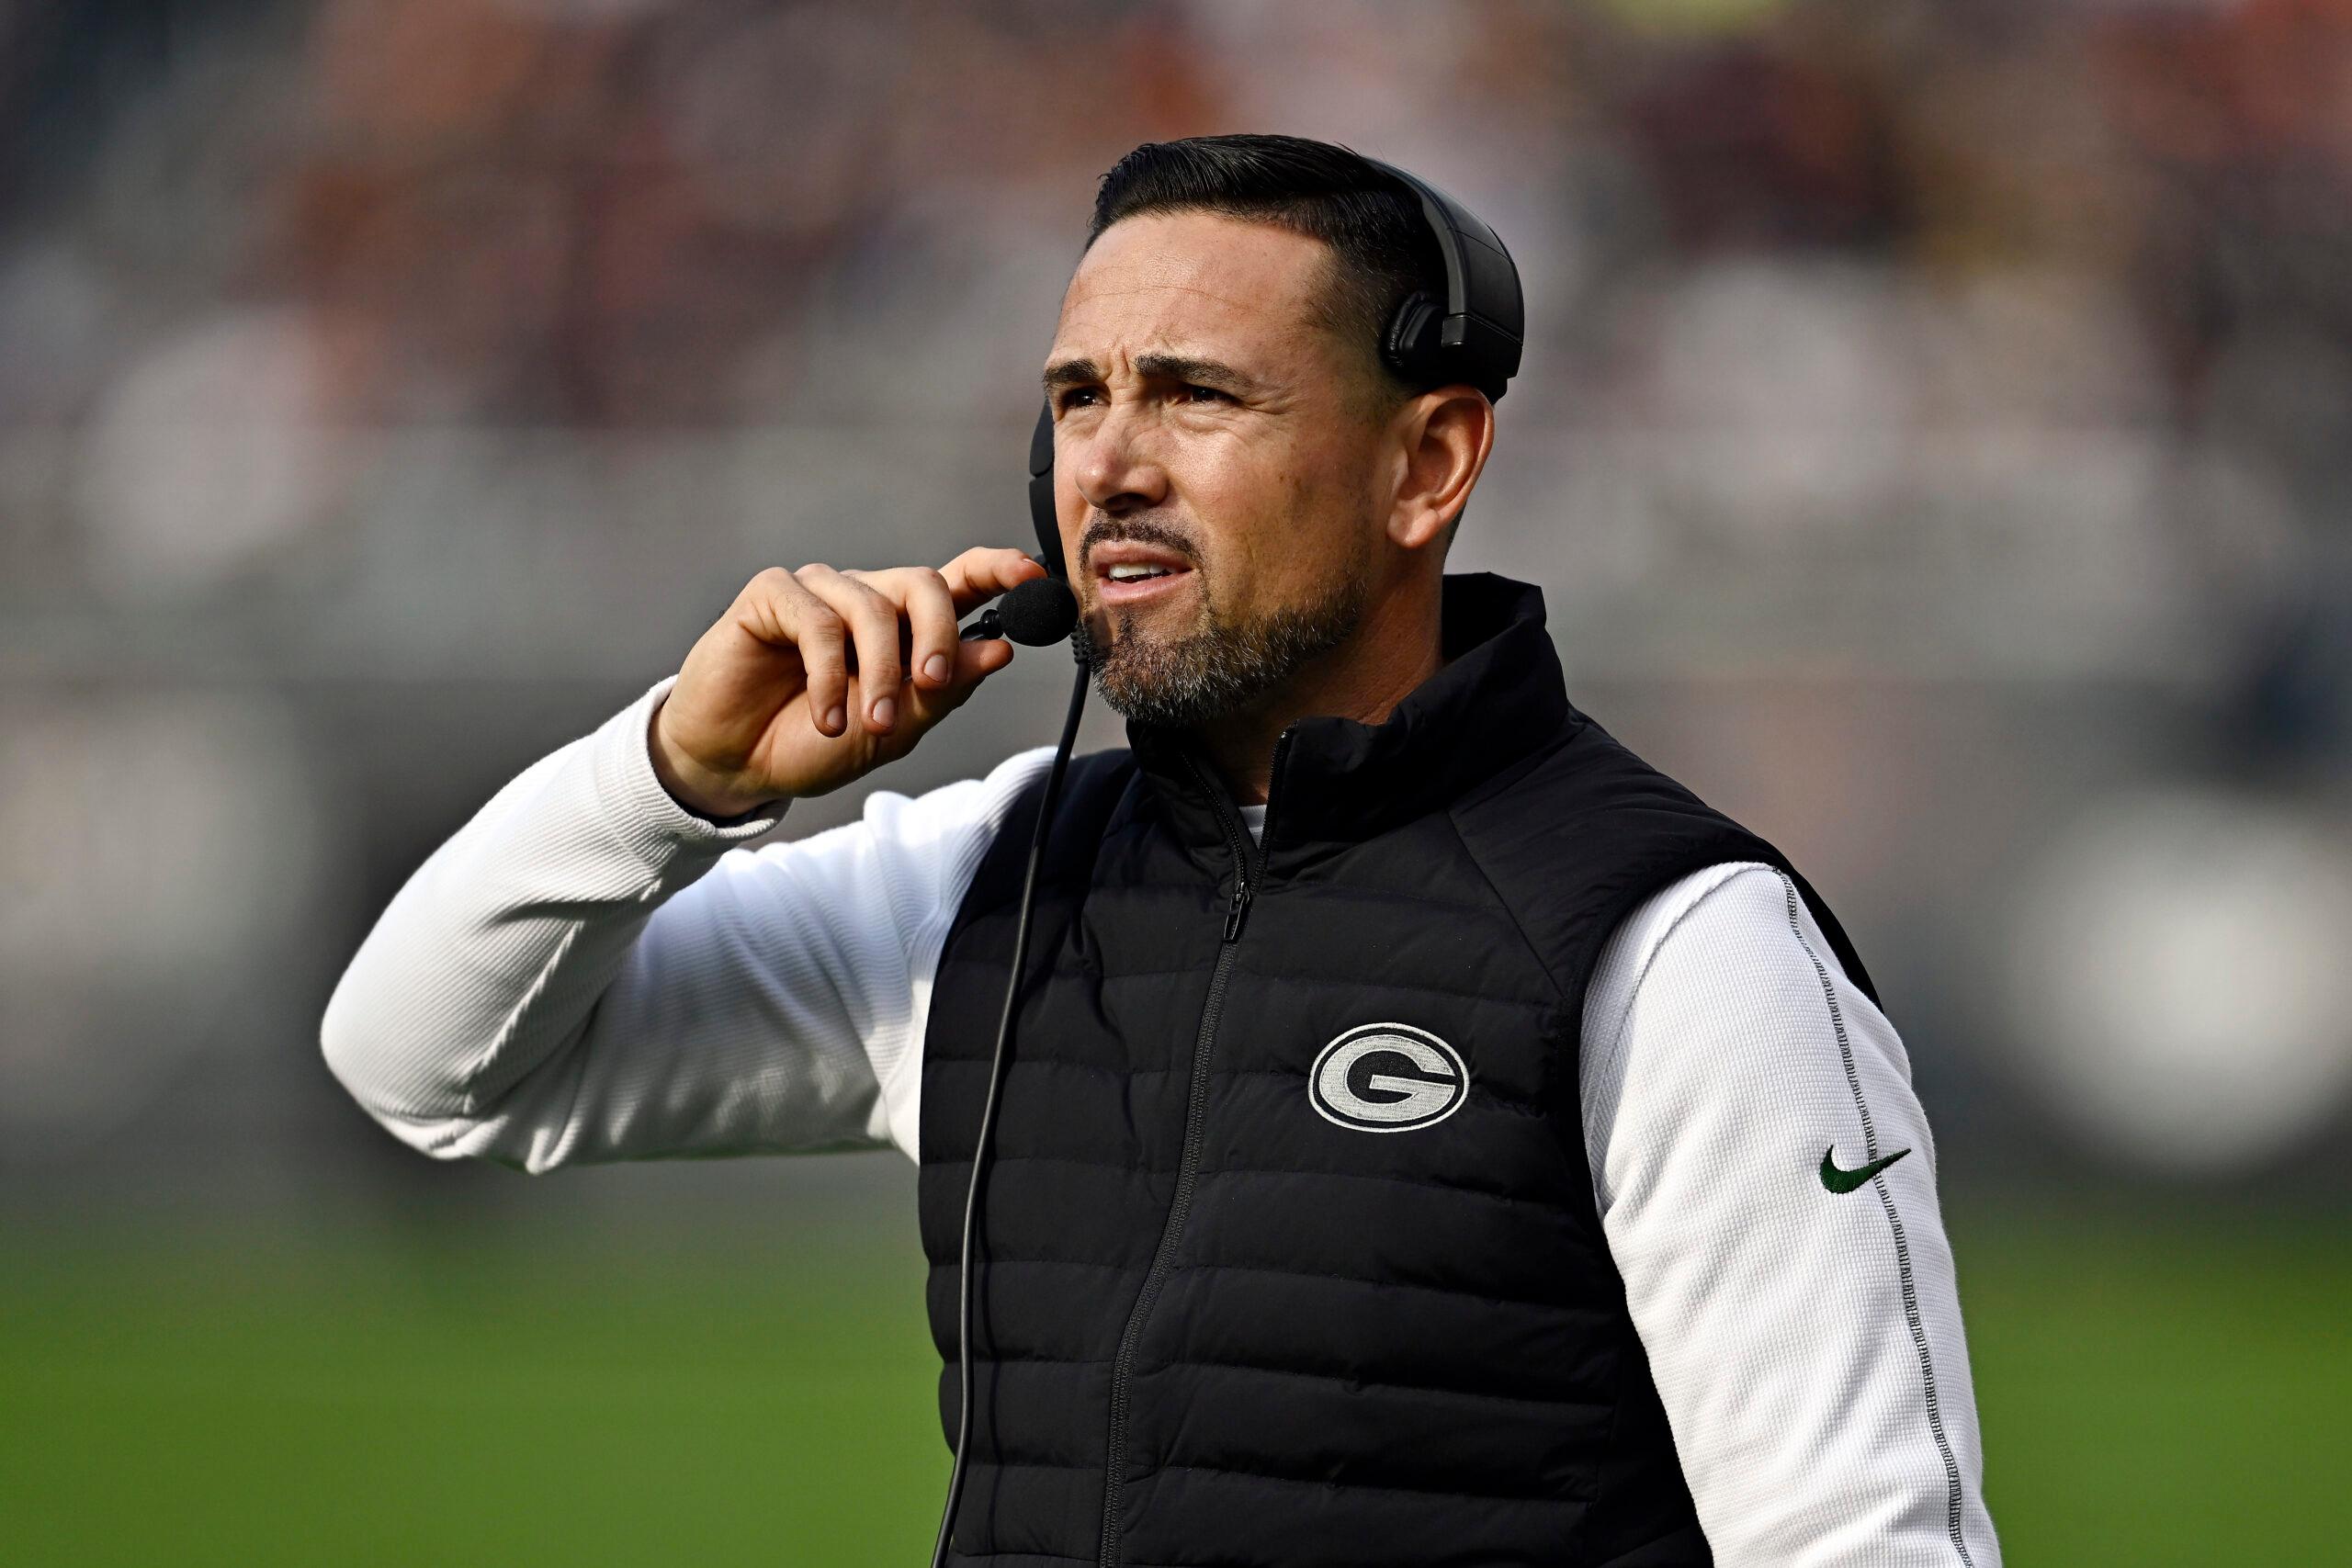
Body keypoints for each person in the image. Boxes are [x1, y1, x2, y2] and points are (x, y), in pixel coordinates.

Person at [322, 134, 1999, 1567]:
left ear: (1427, 464)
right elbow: (427, 1070)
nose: (1110, 467)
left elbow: (1864, 1544)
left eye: (1196, 394)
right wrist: (674, 778)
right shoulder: (989, 879)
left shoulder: (1684, 946)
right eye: (1078, 399)